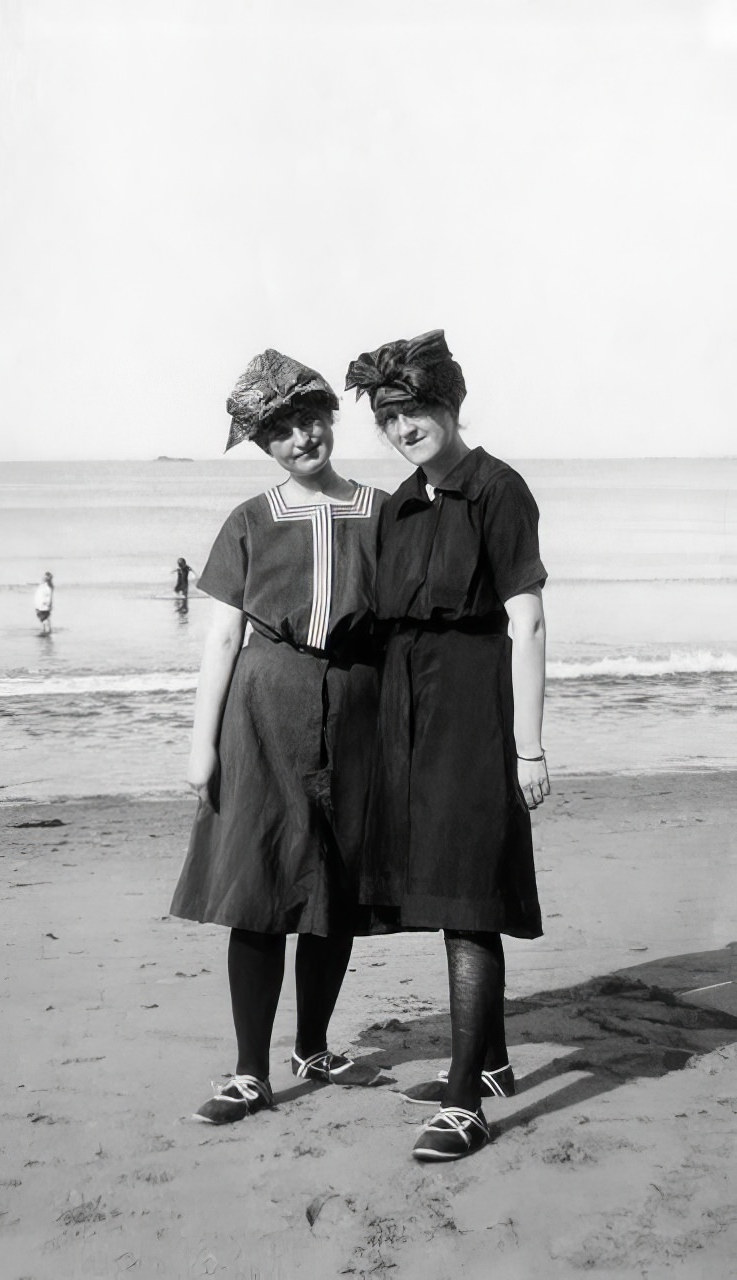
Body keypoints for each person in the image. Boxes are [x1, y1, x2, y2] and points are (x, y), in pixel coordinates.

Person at [345, 329, 549, 1162]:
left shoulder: (499, 490)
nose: (405, 427)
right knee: (437, 890)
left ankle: (466, 1103)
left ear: (452, 405)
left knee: (469, 901)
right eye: (391, 416)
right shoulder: (399, 503)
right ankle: (492, 1062)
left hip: (474, 709)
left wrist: (528, 747)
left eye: (418, 409)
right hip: (408, 712)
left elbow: (529, 620)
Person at [170, 349, 387, 1124]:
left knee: (333, 886)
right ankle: (248, 1073)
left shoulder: (383, 510)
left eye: (311, 420)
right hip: (264, 710)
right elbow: (222, 640)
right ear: (266, 446)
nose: (303, 439)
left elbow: (402, 632)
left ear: (332, 417)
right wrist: (202, 747)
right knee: (259, 889)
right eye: (283, 431)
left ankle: (315, 1047)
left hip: (359, 706)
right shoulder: (251, 520)